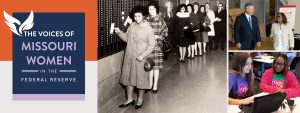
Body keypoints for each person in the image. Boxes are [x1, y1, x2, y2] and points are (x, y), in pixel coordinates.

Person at [114, 5, 156, 109]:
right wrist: (119, 32)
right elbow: (127, 39)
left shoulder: (148, 28)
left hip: (140, 58)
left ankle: (140, 99)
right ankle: (129, 99)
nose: (136, 18)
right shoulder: (132, 25)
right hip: (129, 56)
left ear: (144, 16)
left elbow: (152, 44)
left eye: (139, 16)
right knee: (128, 78)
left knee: (140, 79)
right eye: (135, 16)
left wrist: (143, 55)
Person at [147, 2, 168, 93]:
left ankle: (155, 85)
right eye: (150, 9)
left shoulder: (161, 19)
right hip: (147, 46)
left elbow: (165, 32)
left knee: (156, 67)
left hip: (157, 46)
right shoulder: (145, 20)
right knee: (149, 66)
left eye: (153, 9)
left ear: (156, 9)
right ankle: (149, 84)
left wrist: (159, 37)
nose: (151, 11)